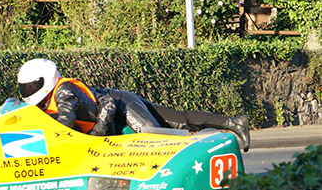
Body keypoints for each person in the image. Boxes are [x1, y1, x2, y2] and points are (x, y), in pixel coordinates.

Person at [17, 58, 250, 151]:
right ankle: (235, 122)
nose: (28, 91)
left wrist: (98, 133)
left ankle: (203, 143)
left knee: (153, 135)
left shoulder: (64, 91)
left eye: (31, 85)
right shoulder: (45, 102)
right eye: (25, 87)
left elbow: (96, 109)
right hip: (118, 105)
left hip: (121, 104)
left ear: (45, 80)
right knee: (176, 119)